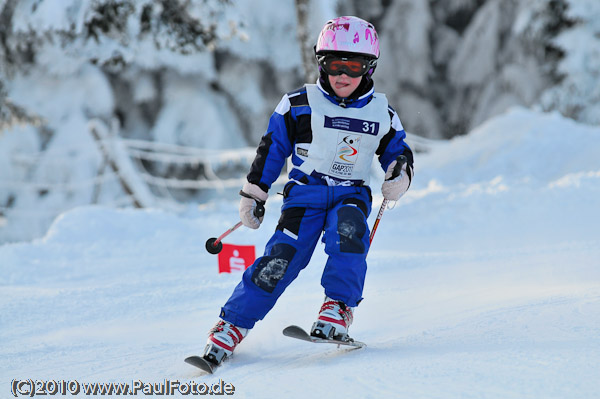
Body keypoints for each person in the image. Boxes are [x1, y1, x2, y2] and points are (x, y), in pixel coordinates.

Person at [203, 16, 414, 365]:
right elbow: (272, 148)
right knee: (279, 260)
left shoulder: (382, 113)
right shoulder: (299, 103)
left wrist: (399, 175)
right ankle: (231, 325)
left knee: (349, 234)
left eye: (354, 65)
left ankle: (337, 307)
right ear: (321, 63)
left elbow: (399, 153)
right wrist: (255, 192)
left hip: (350, 195)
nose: (343, 74)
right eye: (334, 64)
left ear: (369, 68)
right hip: (304, 196)